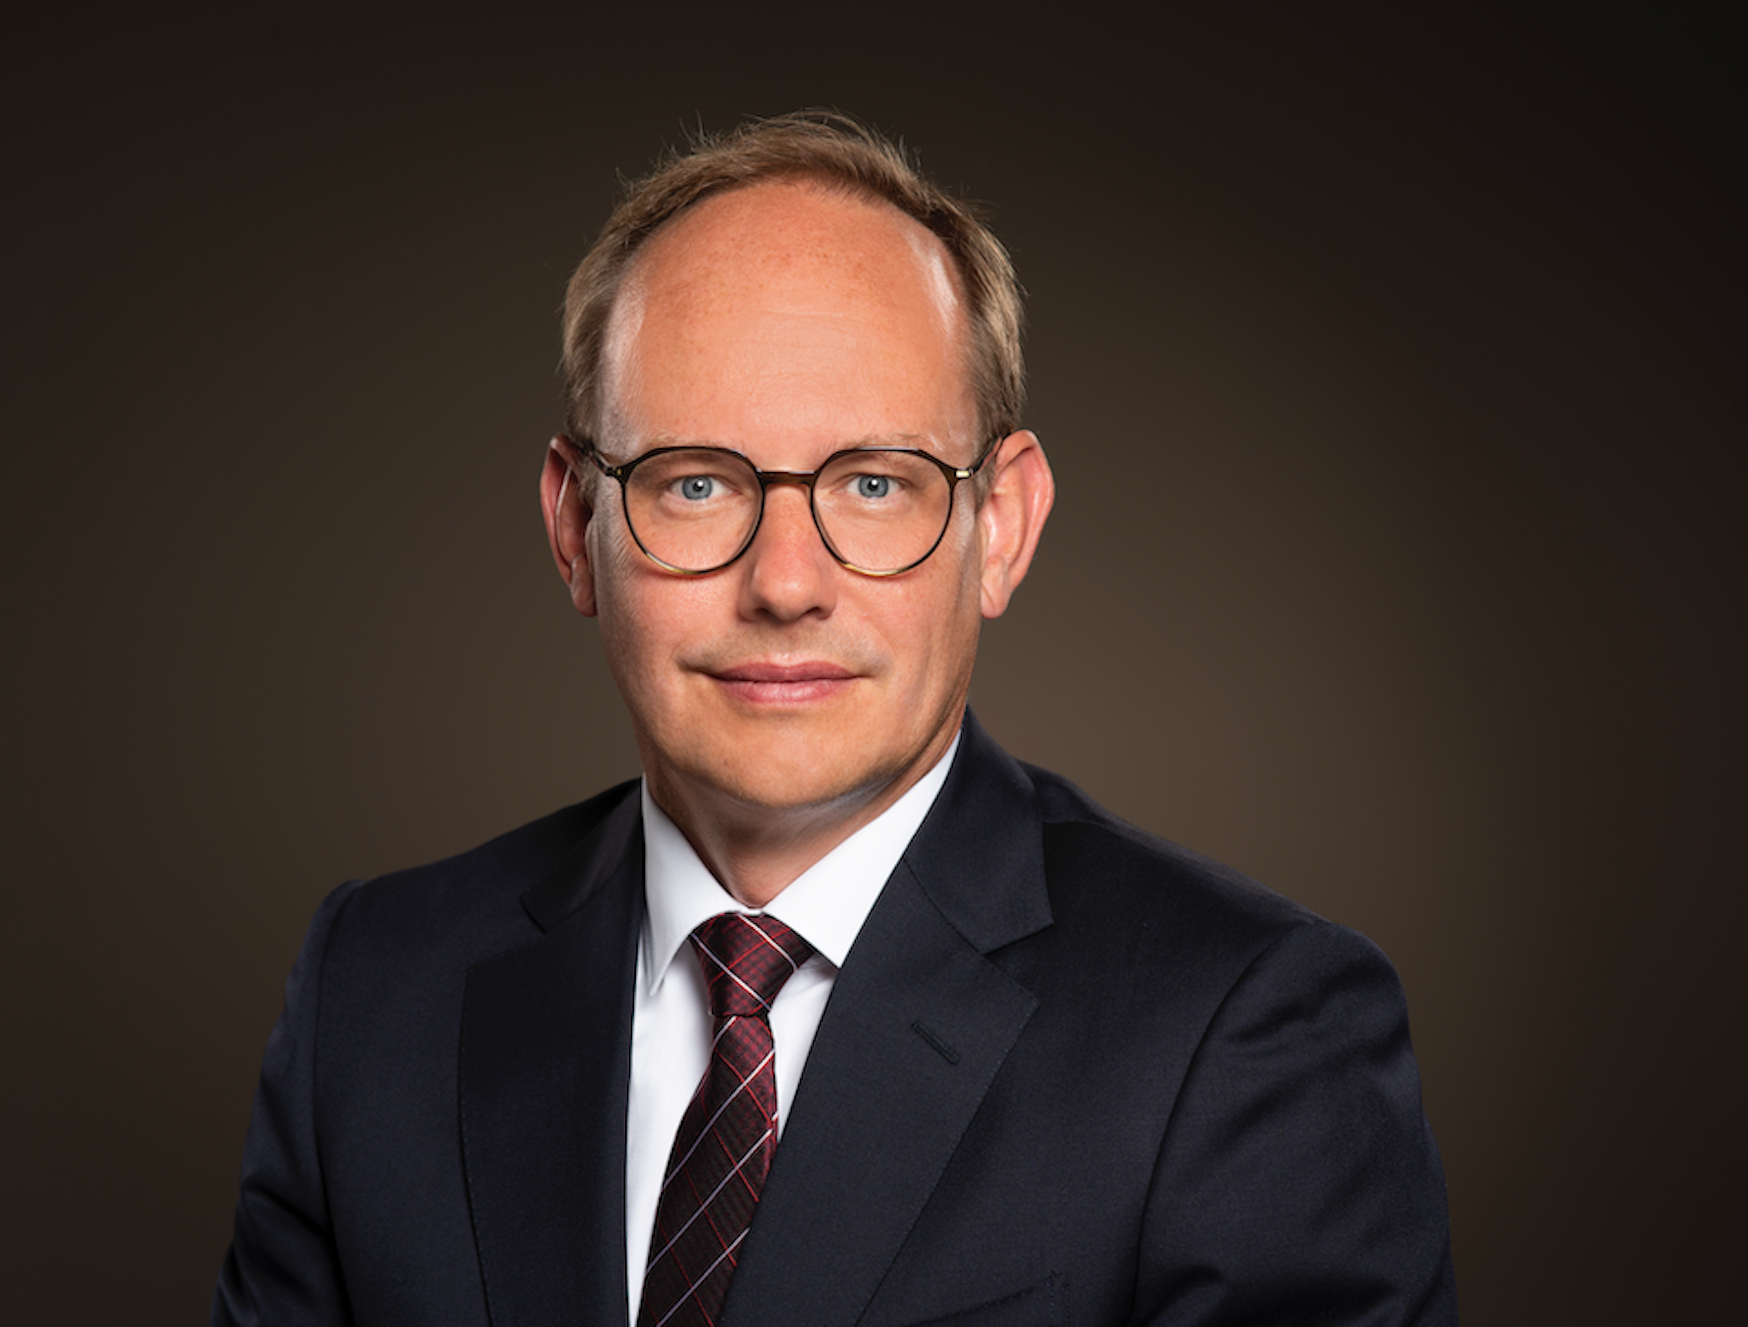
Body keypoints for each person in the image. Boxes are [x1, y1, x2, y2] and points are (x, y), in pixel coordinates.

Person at [212, 110, 1456, 1327]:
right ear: (573, 526)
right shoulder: (374, 993)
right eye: (694, 484)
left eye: (872, 483)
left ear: (999, 527)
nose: (784, 582)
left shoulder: (1247, 1030)